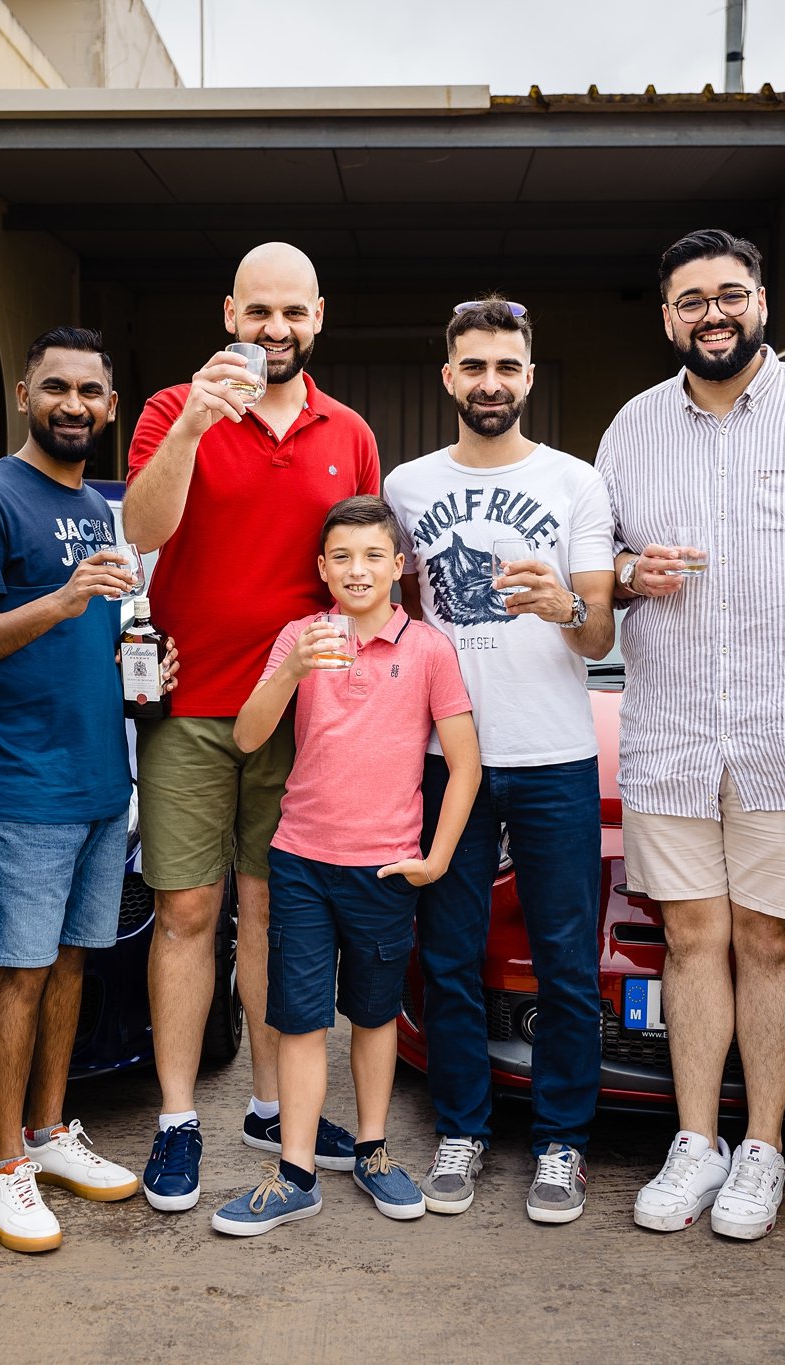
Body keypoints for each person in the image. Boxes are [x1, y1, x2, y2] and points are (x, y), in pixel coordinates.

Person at [599, 228, 785, 1241]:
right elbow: (596, 578)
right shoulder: (630, 430)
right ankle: (694, 1144)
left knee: (769, 940)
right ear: (666, 318)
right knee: (688, 940)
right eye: (690, 300)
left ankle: (761, 1148)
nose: (711, 313)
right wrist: (628, 576)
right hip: (669, 735)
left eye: (728, 294)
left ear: (760, 301)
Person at [123, 242, 382, 1211]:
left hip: (303, 715)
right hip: (190, 708)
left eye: (294, 314)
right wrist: (194, 420)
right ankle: (178, 1120)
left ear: (318, 317)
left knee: (274, 914)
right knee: (190, 914)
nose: (275, 330)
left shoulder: (346, 431)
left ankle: (272, 1106)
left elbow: (361, 569)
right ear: (229, 312)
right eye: (257, 312)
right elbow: (142, 532)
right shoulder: (168, 408)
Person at [382, 298, 617, 1223]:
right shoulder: (408, 485)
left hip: (557, 752)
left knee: (565, 959)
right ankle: (462, 1126)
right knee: (448, 954)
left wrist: (560, 602)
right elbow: (393, 612)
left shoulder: (576, 482)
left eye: (506, 367)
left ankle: (562, 1142)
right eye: (473, 366)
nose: (490, 382)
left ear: (528, 374)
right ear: (450, 377)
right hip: (449, 755)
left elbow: (598, 629)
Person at [0, 328, 156, 1254]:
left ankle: (49, 1132)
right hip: (26, 782)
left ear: (109, 406)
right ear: (25, 394)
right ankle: (2, 1164)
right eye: (56, 387)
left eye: (92, 392)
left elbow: (96, 638)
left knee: (72, 961)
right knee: (20, 972)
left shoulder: (101, 510)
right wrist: (64, 600)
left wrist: (142, 664)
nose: (74, 404)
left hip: (105, 776)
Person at [209, 496, 479, 1236]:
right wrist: (291, 667)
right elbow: (247, 734)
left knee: (373, 1012)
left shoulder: (426, 649)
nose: (356, 570)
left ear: (399, 566)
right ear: (321, 568)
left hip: (385, 869)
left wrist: (436, 858)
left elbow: (464, 765)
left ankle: (373, 1150)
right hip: (300, 860)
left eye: (372, 556)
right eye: (341, 557)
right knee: (298, 1019)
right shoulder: (300, 635)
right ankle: (295, 1171)